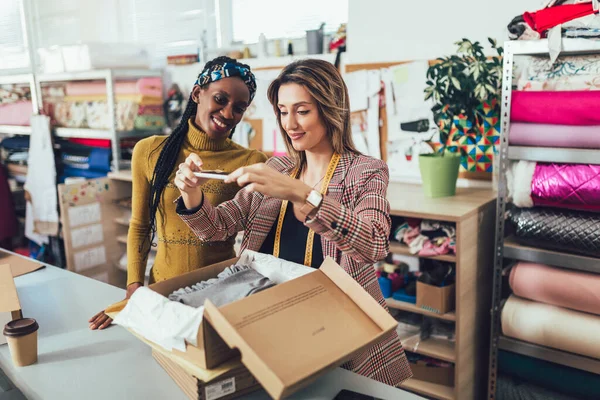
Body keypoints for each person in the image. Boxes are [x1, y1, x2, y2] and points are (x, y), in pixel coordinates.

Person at [174, 59, 412, 386]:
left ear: (330, 110)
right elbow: (216, 227)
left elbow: (373, 244)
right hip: (274, 324)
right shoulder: (278, 167)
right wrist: (191, 192)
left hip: (336, 331)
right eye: (283, 112)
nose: (290, 124)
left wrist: (303, 194)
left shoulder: (365, 171)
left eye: (302, 111)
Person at [89, 56, 267, 330]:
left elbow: (256, 237)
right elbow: (140, 225)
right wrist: (134, 289)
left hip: (219, 294)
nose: (229, 113)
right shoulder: (150, 151)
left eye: (239, 108)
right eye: (220, 99)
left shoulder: (249, 161)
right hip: (162, 290)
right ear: (198, 93)